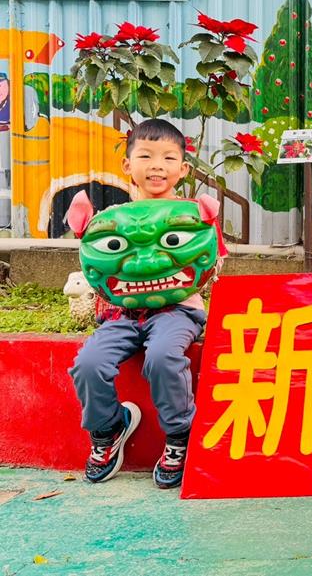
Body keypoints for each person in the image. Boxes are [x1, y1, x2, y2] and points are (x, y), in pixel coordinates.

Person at [68, 118, 228, 489]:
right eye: (146, 156)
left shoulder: (194, 215)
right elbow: (100, 265)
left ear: (183, 169)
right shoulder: (113, 220)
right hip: (123, 314)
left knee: (162, 357)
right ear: (128, 165)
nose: (157, 166)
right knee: (88, 363)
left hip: (178, 311)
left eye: (168, 158)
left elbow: (210, 261)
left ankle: (179, 435)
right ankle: (109, 428)